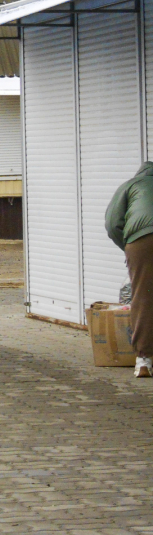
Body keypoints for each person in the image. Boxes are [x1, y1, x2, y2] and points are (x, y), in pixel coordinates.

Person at [105, 161, 153, 378]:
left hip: (143, 240)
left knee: (144, 297)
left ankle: (144, 360)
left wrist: (128, 246)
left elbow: (112, 223)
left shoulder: (131, 185)